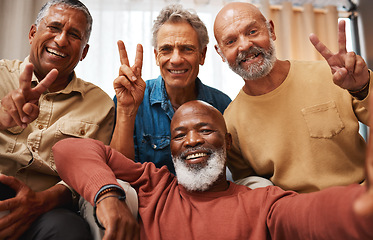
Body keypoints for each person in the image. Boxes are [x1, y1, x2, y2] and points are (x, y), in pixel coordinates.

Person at [53, 99, 373, 239]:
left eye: (205, 130)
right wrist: (107, 195)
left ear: (227, 142)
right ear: (171, 148)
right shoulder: (153, 182)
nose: (192, 140)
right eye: (179, 135)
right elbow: (68, 149)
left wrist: (360, 207)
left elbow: (310, 214)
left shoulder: (260, 202)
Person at [213, 2, 372, 193]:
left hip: (362, 202)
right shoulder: (230, 124)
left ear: (271, 30)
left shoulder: (335, 76)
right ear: (220, 53)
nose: (245, 45)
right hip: (298, 217)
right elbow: (255, 194)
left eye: (252, 31)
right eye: (230, 42)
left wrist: (362, 88)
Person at [0, 0, 115, 239]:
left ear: (84, 52)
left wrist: (40, 202)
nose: (61, 40)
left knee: (70, 230)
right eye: (54, 27)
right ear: (32, 34)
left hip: (48, 208)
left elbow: (91, 174)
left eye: (74, 34)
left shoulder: (100, 105)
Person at [111, 4, 232, 175]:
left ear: (202, 55)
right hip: (149, 198)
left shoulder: (222, 104)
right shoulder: (130, 98)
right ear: (156, 56)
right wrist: (126, 110)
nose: (175, 59)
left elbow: (234, 172)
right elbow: (119, 174)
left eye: (187, 49)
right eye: (166, 49)